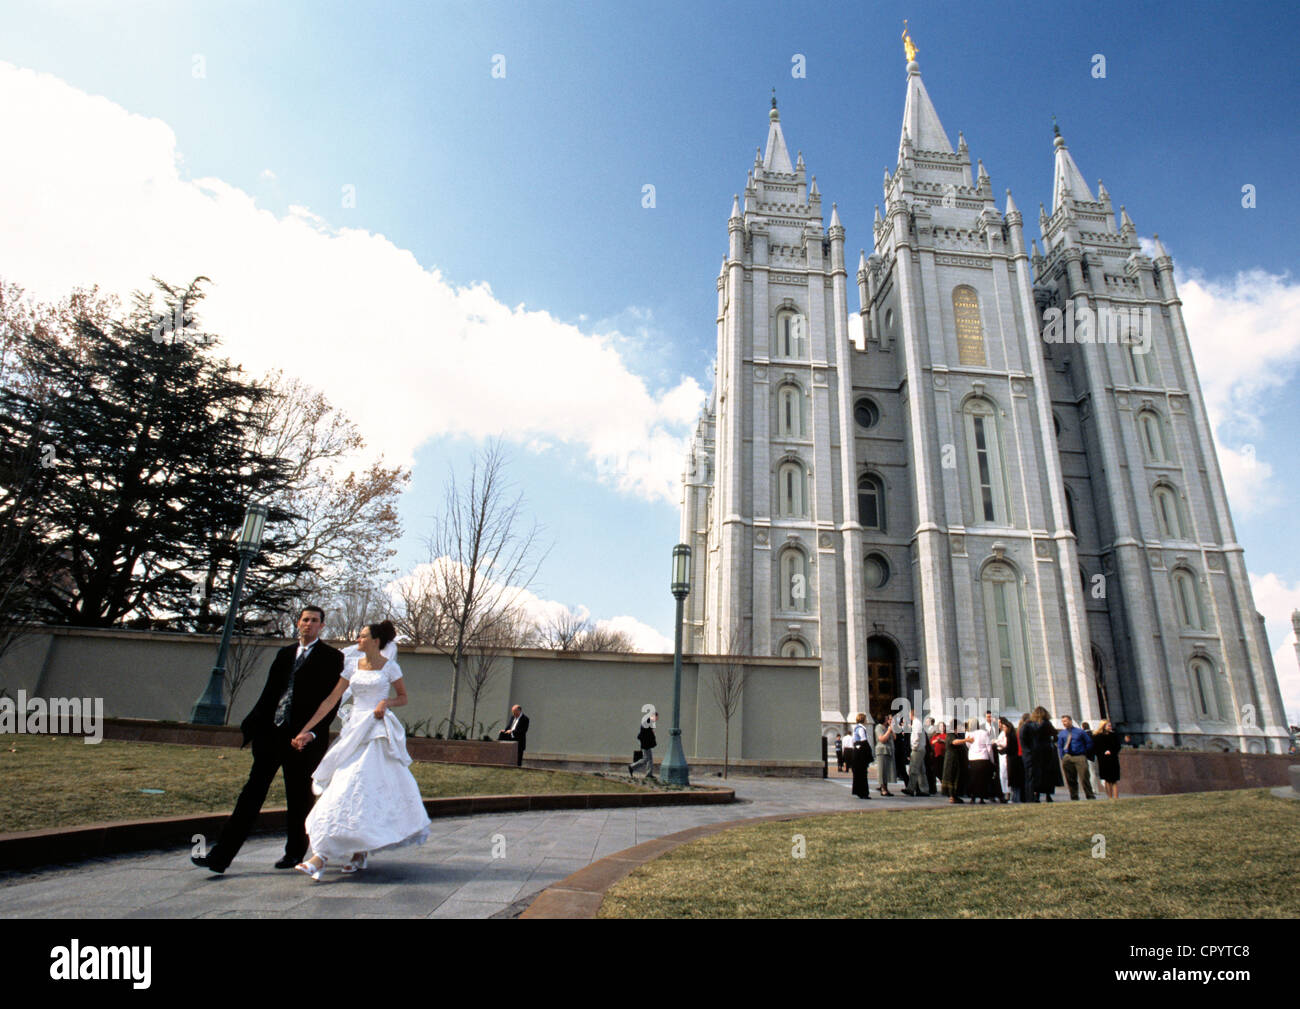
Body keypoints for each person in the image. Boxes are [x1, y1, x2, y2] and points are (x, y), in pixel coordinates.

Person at [192, 607, 345, 874]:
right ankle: (220, 857)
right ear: (298, 623)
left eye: (314, 621)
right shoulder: (284, 654)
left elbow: (330, 703)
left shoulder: (332, 658)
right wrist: (256, 727)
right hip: (272, 736)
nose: (308, 624)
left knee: (298, 799)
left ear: (322, 626)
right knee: (250, 795)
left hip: (303, 741)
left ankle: (294, 852)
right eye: (305, 620)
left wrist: (313, 732)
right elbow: (270, 693)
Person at [292, 620, 431, 879]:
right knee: (342, 788)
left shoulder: (390, 667)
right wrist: (306, 729)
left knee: (364, 789)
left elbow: (403, 697)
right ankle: (323, 853)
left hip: (376, 732)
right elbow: (331, 700)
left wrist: (385, 702)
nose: (358, 639)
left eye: (363, 636)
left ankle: (349, 854)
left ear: (376, 641)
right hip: (354, 731)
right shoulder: (351, 666)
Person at [1057, 714, 1095, 800]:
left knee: (1084, 777)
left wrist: (1084, 751)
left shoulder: (1080, 732)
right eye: (1063, 722)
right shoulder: (1062, 734)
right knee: (1070, 778)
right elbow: (1060, 745)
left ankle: (1089, 795)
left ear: (1070, 721)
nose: (1064, 723)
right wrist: (1062, 756)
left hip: (1079, 756)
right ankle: (1074, 796)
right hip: (1068, 757)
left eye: (1066, 721)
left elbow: (1089, 742)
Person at [959, 718, 994, 804]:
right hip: (983, 758)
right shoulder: (984, 733)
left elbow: (968, 745)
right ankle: (981, 798)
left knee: (973, 778)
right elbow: (989, 748)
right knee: (983, 779)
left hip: (973, 758)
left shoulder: (969, 734)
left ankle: (973, 797)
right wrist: (992, 760)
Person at [1092, 719, 1123, 799]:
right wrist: (1103, 752)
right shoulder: (1097, 737)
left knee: (1114, 779)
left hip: (1113, 759)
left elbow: (1117, 746)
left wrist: (1111, 751)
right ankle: (1109, 797)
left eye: (1110, 725)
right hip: (1103, 760)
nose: (1110, 727)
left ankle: (1116, 797)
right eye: (1108, 725)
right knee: (1107, 779)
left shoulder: (1114, 735)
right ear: (1103, 726)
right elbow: (1095, 748)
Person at [940, 720, 967, 803]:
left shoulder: (956, 734)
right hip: (951, 760)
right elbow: (954, 742)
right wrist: (967, 740)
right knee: (951, 776)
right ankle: (952, 796)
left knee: (954, 776)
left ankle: (954, 795)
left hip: (955, 759)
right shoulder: (950, 734)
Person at [997, 716, 1022, 802]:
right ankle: (1007, 793)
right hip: (1005, 756)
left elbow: (1008, 746)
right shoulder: (1003, 733)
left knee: (1008, 775)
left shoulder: (1009, 735)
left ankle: (1009, 794)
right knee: (1004, 775)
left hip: (1008, 757)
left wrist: (1000, 748)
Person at [904, 711, 928, 795]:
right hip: (921, 748)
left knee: (913, 769)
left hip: (917, 749)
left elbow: (916, 737)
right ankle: (924, 789)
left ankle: (910, 788)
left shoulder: (916, 723)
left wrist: (913, 747)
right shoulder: (918, 723)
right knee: (921, 770)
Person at [849, 713, 873, 799]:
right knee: (862, 772)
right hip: (861, 753)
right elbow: (864, 740)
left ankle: (858, 791)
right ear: (863, 719)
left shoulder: (855, 728)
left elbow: (853, 741)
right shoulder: (861, 729)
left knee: (858, 773)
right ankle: (863, 792)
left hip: (856, 751)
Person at [629, 712, 658, 778]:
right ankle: (632, 767)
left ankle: (649, 774)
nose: (656, 719)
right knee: (646, 759)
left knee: (649, 759)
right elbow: (646, 735)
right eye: (656, 717)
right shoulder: (647, 723)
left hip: (646, 744)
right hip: (646, 744)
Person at [874, 715, 896, 796]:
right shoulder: (878, 727)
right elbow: (882, 739)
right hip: (882, 751)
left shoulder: (887, 728)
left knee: (886, 771)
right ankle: (883, 789)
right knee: (882, 770)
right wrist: (888, 731)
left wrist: (891, 728)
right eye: (887, 719)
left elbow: (894, 737)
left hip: (888, 751)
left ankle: (886, 788)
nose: (888, 720)